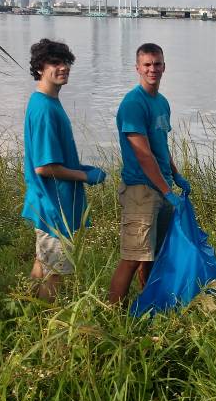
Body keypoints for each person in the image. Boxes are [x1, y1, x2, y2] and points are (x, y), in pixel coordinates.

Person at [22, 38, 107, 302]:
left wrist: (78, 166)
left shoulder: (46, 102)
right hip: (53, 206)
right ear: (39, 68)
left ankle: (32, 310)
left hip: (46, 203)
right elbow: (44, 167)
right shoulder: (45, 109)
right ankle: (50, 326)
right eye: (55, 63)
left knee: (43, 263)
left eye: (66, 62)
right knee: (55, 273)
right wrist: (84, 176)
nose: (63, 68)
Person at [109, 43, 191, 303]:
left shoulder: (162, 102)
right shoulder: (133, 104)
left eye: (157, 64)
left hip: (162, 186)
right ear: (137, 68)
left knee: (153, 254)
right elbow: (143, 155)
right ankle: (111, 313)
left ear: (164, 66)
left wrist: (175, 175)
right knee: (133, 257)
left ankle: (148, 302)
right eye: (147, 65)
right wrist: (168, 191)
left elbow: (161, 147)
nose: (152, 69)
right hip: (141, 190)